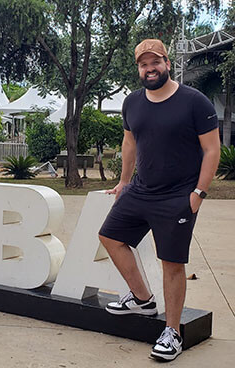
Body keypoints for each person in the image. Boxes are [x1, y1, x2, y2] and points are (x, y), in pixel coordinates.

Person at [98, 39, 221, 362]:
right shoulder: (133, 103)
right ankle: (142, 297)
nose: (150, 69)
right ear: (138, 68)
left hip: (178, 196)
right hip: (140, 190)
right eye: (143, 64)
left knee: (171, 263)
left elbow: (212, 150)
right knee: (109, 237)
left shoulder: (194, 102)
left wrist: (198, 193)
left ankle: (172, 332)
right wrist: (124, 181)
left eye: (155, 63)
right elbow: (129, 143)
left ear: (167, 63)